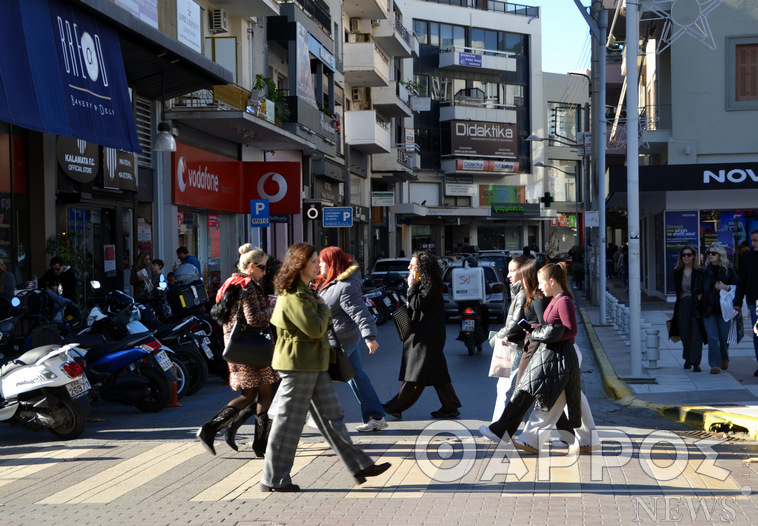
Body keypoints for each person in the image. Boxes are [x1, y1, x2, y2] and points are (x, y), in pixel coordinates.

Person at [261, 242, 390, 492]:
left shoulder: (307, 291)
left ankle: (359, 465)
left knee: (333, 417)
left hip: (314, 362)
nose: (317, 265)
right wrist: (322, 307)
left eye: (318, 261)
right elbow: (314, 328)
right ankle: (273, 479)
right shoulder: (295, 295)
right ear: (300, 266)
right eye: (313, 262)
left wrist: (320, 305)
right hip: (298, 365)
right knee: (288, 424)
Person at [481, 262, 582, 451]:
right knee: (553, 398)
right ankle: (574, 438)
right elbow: (546, 326)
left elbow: (567, 330)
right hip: (546, 351)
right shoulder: (545, 298)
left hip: (550, 352)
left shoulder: (556, 300)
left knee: (526, 393)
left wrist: (538, 332)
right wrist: (536, 329)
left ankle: (508, 433)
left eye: (541, 282)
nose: (540, 286)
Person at [197, 244, 279, 456]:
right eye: (262, 267)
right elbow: (255, 319)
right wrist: (275, 306)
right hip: (254, 348)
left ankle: (210, 429)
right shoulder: (248, 286)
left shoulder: (231, 283)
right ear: (251, 266)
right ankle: (260, 444)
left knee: (248, 395)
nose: (264, 272)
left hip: (238, 348)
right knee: (266, 393)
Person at [383, 250, 462, 420]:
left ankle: (395, 406)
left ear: (422, 268)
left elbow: (417, 303)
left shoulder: (430, 284)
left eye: (412, 265)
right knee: (437, 372)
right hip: (425, 334)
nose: (409, 268)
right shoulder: (424, 283)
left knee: (417, 372)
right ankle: (451, 406)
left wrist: (411, 286)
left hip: (427, 337)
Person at [316, 247, 387, 432]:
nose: (319, 265)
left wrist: (369, 337)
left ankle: (324, 422)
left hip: (339, 340)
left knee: (318, 379)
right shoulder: (329, 282)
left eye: (322, 261)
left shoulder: (345, 286)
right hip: (341, 338)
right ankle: (376, 417)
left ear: (332, 263)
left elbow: (360, 313)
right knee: (356, 377)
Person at [695, 243, 739, 374]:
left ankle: (724, 357)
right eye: (708, 253)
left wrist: (726, 287)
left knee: (724, 336)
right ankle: (714, 364)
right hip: (708, 308)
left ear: (720, 255)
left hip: (724, 309)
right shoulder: (704, 271)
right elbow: (698, 287)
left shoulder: (729, 270)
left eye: (713, 253)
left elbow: (737, 288)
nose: (710, 255)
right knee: (712, 337)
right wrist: (699, 295)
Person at [669, 246, 704, 372]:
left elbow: (705, 286)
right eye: (683, 255)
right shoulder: (677, 271)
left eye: (689, 254)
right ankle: (688, 358)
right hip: (682, 304)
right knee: (685, 333)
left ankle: (696, 362)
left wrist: (702, 295)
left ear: (694, 256)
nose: (686, 257)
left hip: (696, 305)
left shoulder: (699, 271)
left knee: (696, 334)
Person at [734, 229, 758, 376]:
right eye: (752, 240)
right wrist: (738, 301)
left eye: (756, 240)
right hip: (754, 301)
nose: (753, 243)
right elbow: (742, 280)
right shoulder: (748, 257)